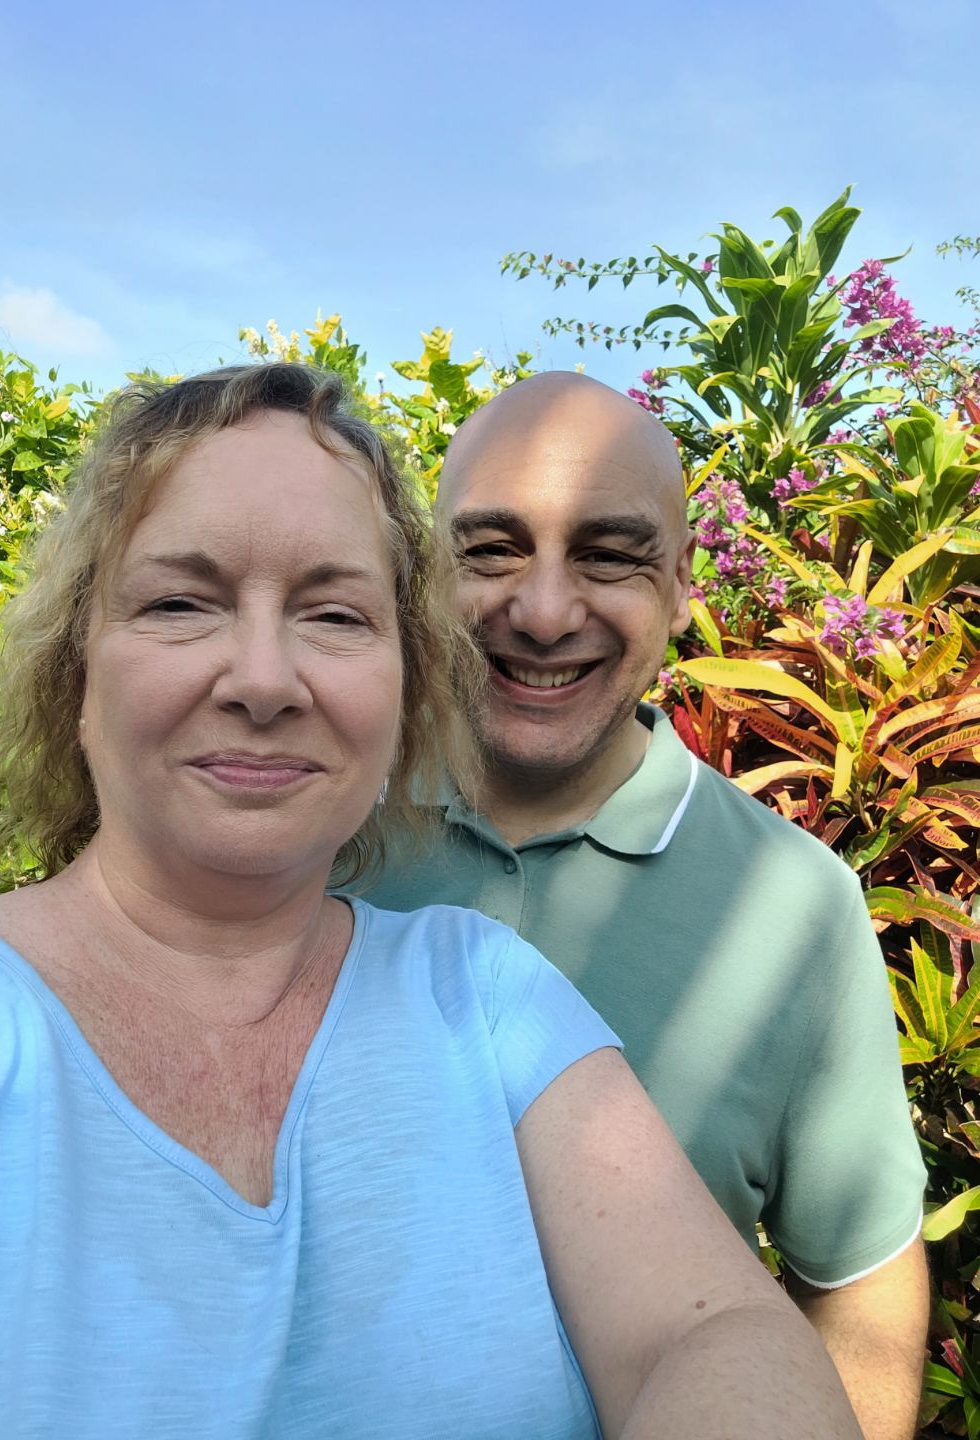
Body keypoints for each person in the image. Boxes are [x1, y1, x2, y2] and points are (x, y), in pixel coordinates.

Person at [0, 363, 860, 1439]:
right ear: (73, 669)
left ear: (404, 679)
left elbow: (713, 1330)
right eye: (179, 601)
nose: (263, 680)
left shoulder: (484, 988)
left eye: (335, 614)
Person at [365, 370, 930, 1440]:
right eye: (490, 549)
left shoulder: (797, 908)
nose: (541, 610)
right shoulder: (314, 834)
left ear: (679, 585)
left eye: (608, 555)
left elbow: (858, 1280)